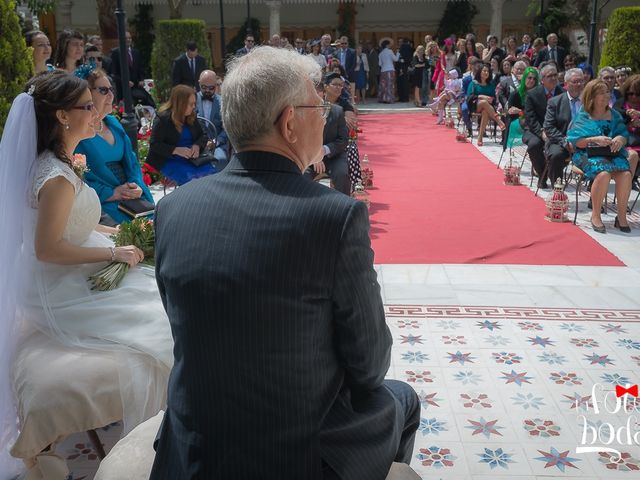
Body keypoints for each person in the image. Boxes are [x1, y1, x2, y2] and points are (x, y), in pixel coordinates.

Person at [149, 45, 419, 480]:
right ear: (289, 123)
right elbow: (369, 367)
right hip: (296, 454)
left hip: (195, 449)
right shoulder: (334, 216)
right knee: (401, 396)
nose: (327, 114)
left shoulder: (174, 210)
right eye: (320, 105)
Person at [0, 71, 173, 478]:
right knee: (162, 321)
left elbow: (75, 227)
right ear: (62, 116)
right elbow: (47, 249)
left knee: (157, 293)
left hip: (82, 264)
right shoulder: (57, 177)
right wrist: (115, 251)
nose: (99, 113)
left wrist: (130, 233)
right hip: (63, 288)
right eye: (89, 107)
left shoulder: (61, 163)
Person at [75, 68, 154, 224]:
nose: (111, 95)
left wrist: (136, 185)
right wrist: (112, 193)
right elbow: (78, 179)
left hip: (131, 198)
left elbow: (132, 163)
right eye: (103, 90)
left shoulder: (114, 124)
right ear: (87, 93)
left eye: (111, 89)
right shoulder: (80, 133)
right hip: (104, 203)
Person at [568, 79, 633, 233]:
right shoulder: (584, 115)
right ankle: (596, 215)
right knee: (603, 174)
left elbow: (623, 134)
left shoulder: (614, 114)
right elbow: (576, 142)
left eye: (607, 92)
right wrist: (595, 139)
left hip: (610, 153)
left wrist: (620, 139)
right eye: (601, 93)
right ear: (592, 97)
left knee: (625, 174)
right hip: (587, 153)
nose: (606, 95)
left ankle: (621, 217)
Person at [148, 85, 213, 185]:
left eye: (194, 103)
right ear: (180, 104)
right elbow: (154, 145)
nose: (194, 107)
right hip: (171, 159)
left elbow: (203, 134)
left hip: (193, 159)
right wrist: (176, 150)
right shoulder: (163, 119)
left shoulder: (191, 115)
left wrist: (197, 145)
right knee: (192, 182)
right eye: (190, 104)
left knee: (212, 176)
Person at [305, 74, 350, 195]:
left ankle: (344, 207)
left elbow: (343, 140)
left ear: (323, 93)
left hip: (334, 155)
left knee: (342, 174)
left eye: (318, 94)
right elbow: (299, 140)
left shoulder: (337, 111)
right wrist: (314, 155)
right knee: (301, 176)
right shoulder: (303, 112)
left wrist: (323, 151)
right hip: (309, 158)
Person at [523, 64, 564, 187]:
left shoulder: (563, 94)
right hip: (535, 129)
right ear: (542, 79)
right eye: (549, 76)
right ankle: (542, 174)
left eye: (555, 75)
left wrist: (553, 133)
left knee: (558, 151)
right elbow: (530, 118)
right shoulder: (532, 94)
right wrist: (541, 132)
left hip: (556, 130)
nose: (553, 78)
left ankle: (555, 178)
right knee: (534, 145)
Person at [543, 68, 586, 185]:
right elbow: (549, 127)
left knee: (600, 158)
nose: (579, 84)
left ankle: (594, 197)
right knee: (555, 156)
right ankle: (557, 190)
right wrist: (565, 142)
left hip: (586, 142)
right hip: (561, 141)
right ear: (566, 84)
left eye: (581, 81)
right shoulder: (555, 102)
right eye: (575, 81)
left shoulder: (589, 102)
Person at [110, 31, 155, 108]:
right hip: (122, 88)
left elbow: (140, 69)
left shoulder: (136, 52)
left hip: (136, 86)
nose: (128, 40)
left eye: (129, 38)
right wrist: (124, 81)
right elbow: (113, 73)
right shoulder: (115, 53)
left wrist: (141, 79)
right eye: (125, 38)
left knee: (149, 102)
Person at [196, 70, 229, 170]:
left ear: (216, 85)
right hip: (196, 144)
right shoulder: (192, 99)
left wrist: (215, 142)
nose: (207, 90)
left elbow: (226, 128)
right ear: (199, 83)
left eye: (211, 88)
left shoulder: (222, 102)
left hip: (217, 144)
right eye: (204, 87)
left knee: (221, 160)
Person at [467, 62, 505, 146]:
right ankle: (499, 121)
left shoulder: (491, 85)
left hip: (488, 108)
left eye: (488, 71)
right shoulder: (473, 83)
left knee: (485, 112)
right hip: (475, 105)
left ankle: (480, 138)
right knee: (484, 102)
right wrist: (482, 96)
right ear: (480, 72)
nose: (486, 73)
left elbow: (494, 98)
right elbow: (469, 97)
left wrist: (492, 100)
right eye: (484, 71)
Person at [614, 74, 640, 187]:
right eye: (631, 93)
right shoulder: (619, 104)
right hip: (623, 145)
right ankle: (625, 188)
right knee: (632, 155)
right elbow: (612, 126)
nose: (634, 97)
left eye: (638, 94)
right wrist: (628, 123)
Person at [378, 39, 399, 103]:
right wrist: (398, 53)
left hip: (383, 71)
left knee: (383, 85)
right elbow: (395, 59)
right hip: (390, 69)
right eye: (389, 44)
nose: (390, 45)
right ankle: (389, 99)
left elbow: (380, 64)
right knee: (390, 85)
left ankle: (383, 98)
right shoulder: (390, 51)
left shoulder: (380, 53)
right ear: (387, 45)